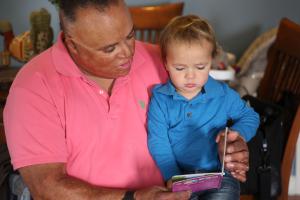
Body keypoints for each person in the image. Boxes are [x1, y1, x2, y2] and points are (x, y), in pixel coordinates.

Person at [3, 0, 250, 199]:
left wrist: (233, 143)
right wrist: (134, 197)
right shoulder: (34, 85)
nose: (128, 53)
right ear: (72, 44)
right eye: (109, 48)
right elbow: (48, 188)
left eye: (130, 36)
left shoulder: (165, 62)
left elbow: (216, 108)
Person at [147, 15, 259, 200]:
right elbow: (159, 142)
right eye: (180, 68)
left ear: (211, 61)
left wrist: (237, 133)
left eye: (200, 67)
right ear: (166, 63)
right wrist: (172, 176)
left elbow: (250, 117)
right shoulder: (161, 99)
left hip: (219, 175)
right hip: (181, 176)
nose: (190, 76)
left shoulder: (223, 94)